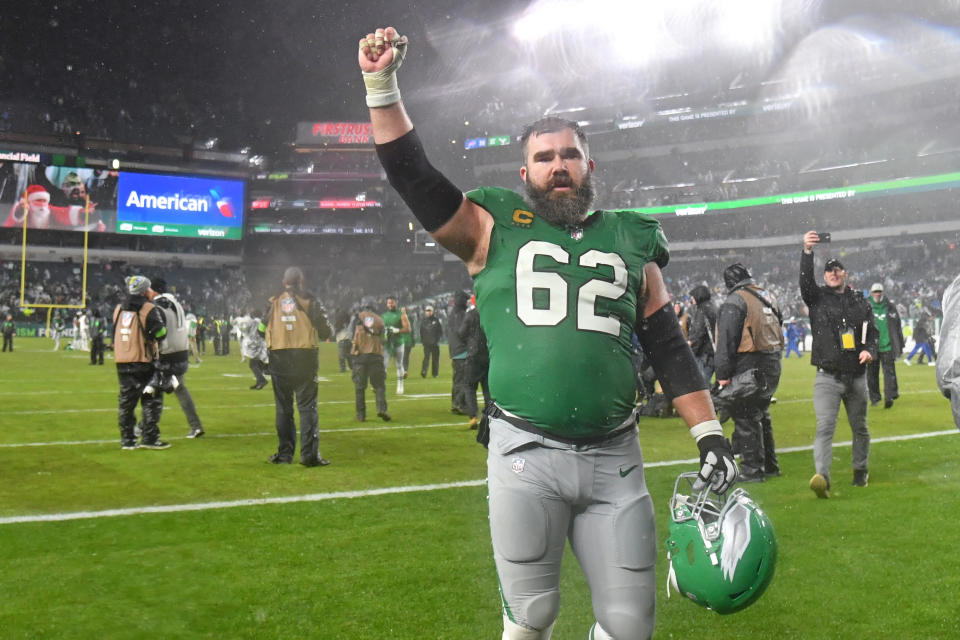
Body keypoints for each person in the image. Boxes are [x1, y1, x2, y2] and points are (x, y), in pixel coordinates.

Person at [359, 27, 738, 639]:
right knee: (531, 617)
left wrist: (711, 434)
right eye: (544, 157)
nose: (557, 166)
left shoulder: (630, 235)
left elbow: (668, 346)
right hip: (525, 455)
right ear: (525, 170)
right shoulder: (489, 226)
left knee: (628, 625)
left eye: (568, 155)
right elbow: (412, 175)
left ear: (589, 163)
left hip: (616, 455)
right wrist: (382, 86)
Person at [800, 231, 878, 498]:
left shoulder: (859, 301)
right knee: (825, 427)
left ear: (845, 273)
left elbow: (873, 332)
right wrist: (807, 253)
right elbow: (804, 283)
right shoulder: (816, 297)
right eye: (829, 270)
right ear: (824, 276)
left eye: (837, 269)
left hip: (856, 375)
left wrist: (868, 350)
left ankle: (860, 471)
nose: (833, 273)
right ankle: (822, 477)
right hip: (828, 376)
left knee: (861, 427)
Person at [714, 263, 784, 482]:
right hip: (772, 362)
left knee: (744, 416)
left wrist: (723, 375)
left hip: (749, 364)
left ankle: (752, 469)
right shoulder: (767, 296)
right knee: (761, 414)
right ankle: (770, 465)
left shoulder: (735, 300)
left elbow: (726, 341)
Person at [258, 267, 331, 466]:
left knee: (283, 409)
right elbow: (326, 331)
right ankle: (308, 455)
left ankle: (284, 455)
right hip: (304, 357)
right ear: (302, 281)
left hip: (279, 358)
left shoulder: (273, 302)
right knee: (307, 408)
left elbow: (260, 329)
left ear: (284, 282)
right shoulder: (310, 300)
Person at [112, 275, 170, 449]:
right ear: (145, 290)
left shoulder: (118, 309)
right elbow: (160, 333)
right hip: (143, 360)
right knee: (151, 399)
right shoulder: (149, 309)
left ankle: (127, 440)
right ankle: (150, 438)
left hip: (122, 360)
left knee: (126, 403)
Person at [151, 277, 205, 438]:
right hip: (181, 352)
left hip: (168, 353)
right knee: (179, 388)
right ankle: (196, 426)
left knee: (155, 388)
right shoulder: (176, 302)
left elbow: (159, 330)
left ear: (154, 290)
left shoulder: (159, 304)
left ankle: (145, 427)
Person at [351, 298, 391, 422]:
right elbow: (384, 339)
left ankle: (361, 415)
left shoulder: (357, 317)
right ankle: (381, 409)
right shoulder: (380, 320)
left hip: (360, 356)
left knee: (359, 387)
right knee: (379, 385)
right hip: (376, 355)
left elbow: (350, 334)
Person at [867, 282, 904, 408]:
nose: (877, 294)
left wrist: (900, 346)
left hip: (888, 346)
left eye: (879, 292)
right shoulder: (865, 307)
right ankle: (875, 398)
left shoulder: (891, 307)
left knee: (889, 373)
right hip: (871, 347)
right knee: (871, 375)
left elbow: (898, 327)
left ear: (882, 292)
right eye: (875, 292)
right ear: (871, 293)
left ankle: (889, 397)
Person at [459, 295, 491, 430]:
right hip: (488, 354)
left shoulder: (470, 314)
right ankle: (490, 418)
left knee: (469, 387)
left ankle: (473, 417)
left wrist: (469, 342)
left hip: (473, 355)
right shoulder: (490, 313)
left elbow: (461, 333)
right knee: (487, 390)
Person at [687, 284, 716, 386]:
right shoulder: (712, 307)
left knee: (702, 384)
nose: (691, 298)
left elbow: (698, 333)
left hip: (705, 353)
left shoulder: (702, 310)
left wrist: (691, 347)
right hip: (712, 351)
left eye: (693, 296)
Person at [446, 290, 470, 414]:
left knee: (457, 379)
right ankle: (461, 404)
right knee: (465, 379)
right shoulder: (461, 314)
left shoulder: (451, 314)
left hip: (455, 351)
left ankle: (455, 403)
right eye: (466, 300)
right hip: (463, 351)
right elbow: (463, 332)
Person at [381, 295, 410, 394]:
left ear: (396, 302)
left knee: (398, 365)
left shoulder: (401, 314)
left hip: (398, 343)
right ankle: (380, 386)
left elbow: (408, 329)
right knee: (383, 365)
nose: (390, 304)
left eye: (392, 302)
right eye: (389, 303)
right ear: (386, 304)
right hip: (387, 344)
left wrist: (397, 330)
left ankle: (400, 385)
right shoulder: (383, 316)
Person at [238, 306, 269, 390]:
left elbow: (245, 329)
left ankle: (262, 380)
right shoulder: (262, 321)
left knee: (253, 364)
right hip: (261, 345)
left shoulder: (253, 322)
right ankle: (260, 381)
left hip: (254, 346)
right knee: (257, 364)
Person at [419, 304, 442, 378]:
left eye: (429, 311)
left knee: (435, 359)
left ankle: (435, 374)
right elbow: (421, 332)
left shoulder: (437, 320)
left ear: (433, 311)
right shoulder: (423, 321)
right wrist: (423, 341)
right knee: (426, 358)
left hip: (435, 343)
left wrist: (437, 340)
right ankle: (424, 371)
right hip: (427, 344)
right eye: (427, 311)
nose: (428, 312)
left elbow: (440, 331)